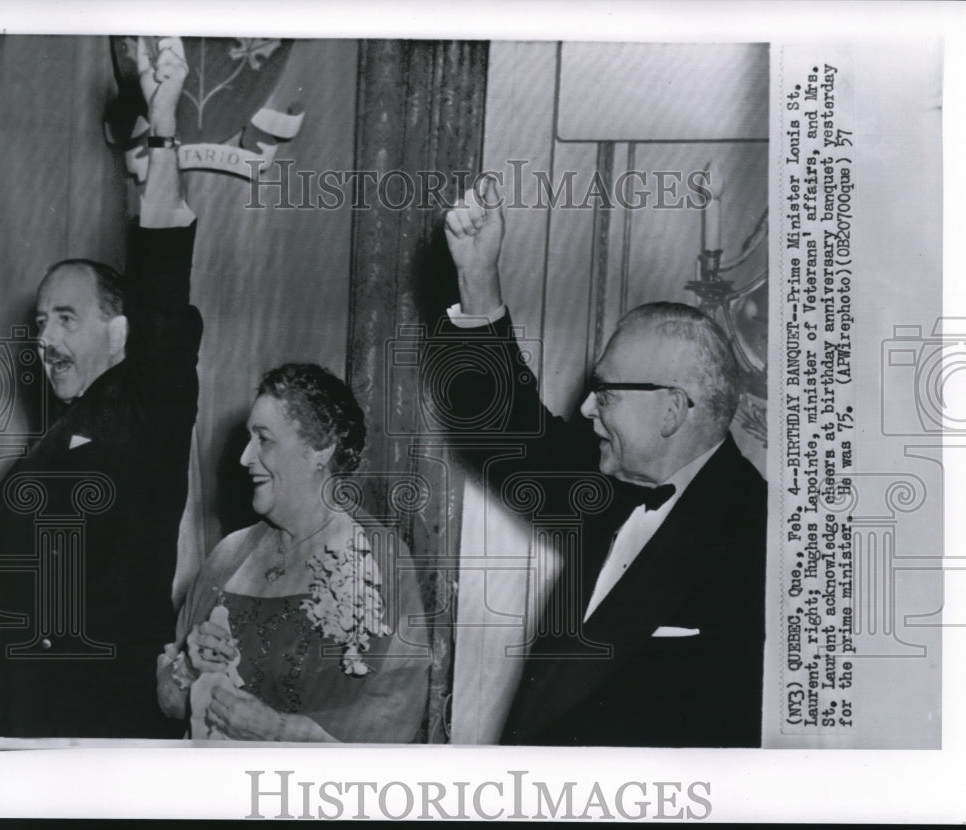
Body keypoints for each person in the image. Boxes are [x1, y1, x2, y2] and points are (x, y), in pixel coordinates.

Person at [437, 177, 767, 747]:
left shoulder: (762, 534)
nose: (586, 407)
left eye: (606, 393)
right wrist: (477, 276)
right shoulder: (608, 482)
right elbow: (505, 426)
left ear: (670, 410)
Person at [0, 38, 200, 739]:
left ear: (121, 333)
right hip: (30, 708)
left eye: (66, 319)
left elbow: (164, 272)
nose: (46, 338)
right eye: (40, 321)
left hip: (111, 716)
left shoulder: (148, 406)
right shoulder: (52, 437)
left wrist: (164, 124)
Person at [156, 364, 430, 742]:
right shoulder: (228, 556)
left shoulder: (378, 560)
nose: (244, 457)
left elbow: (395, 718)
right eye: (248, 438)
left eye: (264, 440)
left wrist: (278, 730)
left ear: (320, 450)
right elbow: (170, 703)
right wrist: (188, 665)